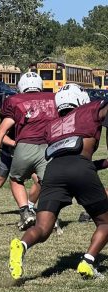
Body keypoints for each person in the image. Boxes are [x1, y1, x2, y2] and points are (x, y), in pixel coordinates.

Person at [9, 84, 108, 281]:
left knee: (42, 228)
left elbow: (68, 158)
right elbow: (79, 161)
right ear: (80, 99)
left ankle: (21, 246)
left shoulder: (52, 126)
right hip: (80, 169)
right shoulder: (91, 109)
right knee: (105, 222)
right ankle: (88, 262)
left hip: (54, 171)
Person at [0, 72, 57, 231]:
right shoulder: (53, 98)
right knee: (47, 183)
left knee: (16, 180)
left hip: (24, 146)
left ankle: (25, 212)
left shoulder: (14, 101)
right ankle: (51, 216)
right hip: (48, 147)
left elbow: (0, 132)